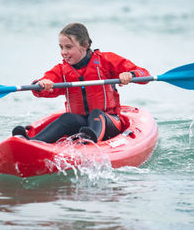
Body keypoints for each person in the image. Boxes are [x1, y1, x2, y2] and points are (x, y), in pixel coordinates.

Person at [12, 23, 150, 143]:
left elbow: (144, 75)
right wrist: (41, 85)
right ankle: (33, 142)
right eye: (61, 47)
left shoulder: (105, 61)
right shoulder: (61, 70)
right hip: (81, 124)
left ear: (84, 45)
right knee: (67, 118)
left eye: (68, 47)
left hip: (109, 121)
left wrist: (130, 75)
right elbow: (43, 86)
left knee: (97, 114)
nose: (63, 52)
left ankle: (88, 140)